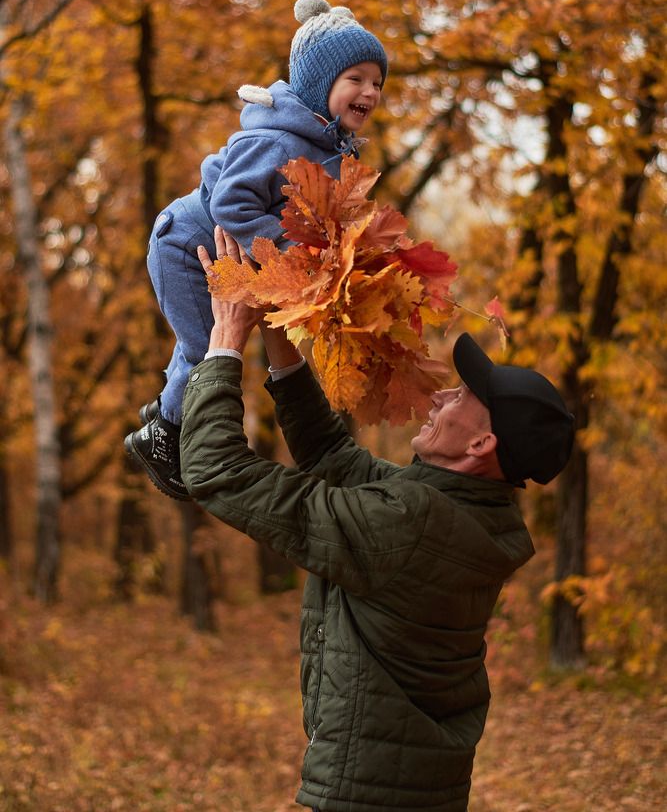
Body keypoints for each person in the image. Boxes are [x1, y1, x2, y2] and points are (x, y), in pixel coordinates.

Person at [178, 226, 575, 812]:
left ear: (481, 444)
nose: (439, 397)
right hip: (408, 788)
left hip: (370, 797)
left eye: (461, 398)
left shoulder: (411, 525)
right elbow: (333, 459)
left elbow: (216, 470)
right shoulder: (463, 516)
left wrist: (225, 342)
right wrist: (279, 328)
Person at [124, 0, 388, 501]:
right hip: (187, 246)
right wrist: (289, 253)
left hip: (218, 254)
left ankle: (162, 418)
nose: (369, 92)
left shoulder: (329, 149)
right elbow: (231, 203)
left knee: (199, 345)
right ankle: (163, 435)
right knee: (205, 351)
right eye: (355, 78)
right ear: (319, 83)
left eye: (377, 82)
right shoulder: (277, 140)